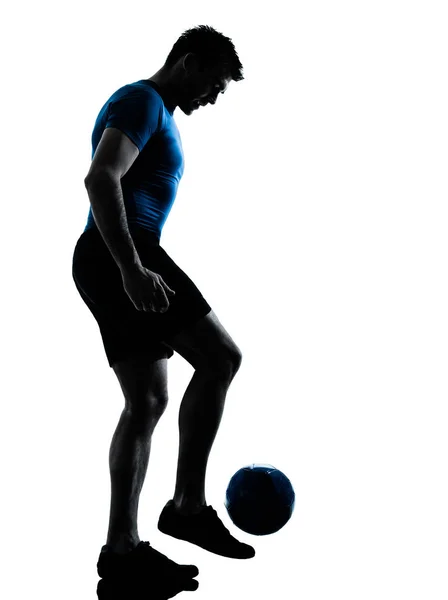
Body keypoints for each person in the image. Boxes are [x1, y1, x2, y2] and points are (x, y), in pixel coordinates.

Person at [71, 24, 255, 593]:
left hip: (110, 256)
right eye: (214, 85)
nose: (213, 98)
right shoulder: (142, 100)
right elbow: (101, 177)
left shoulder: (157, 112)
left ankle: (121, 553)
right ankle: (188, 507)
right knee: (221, 358)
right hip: (120, 252)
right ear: (189, 62)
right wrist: (131, 267)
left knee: (147, 401)